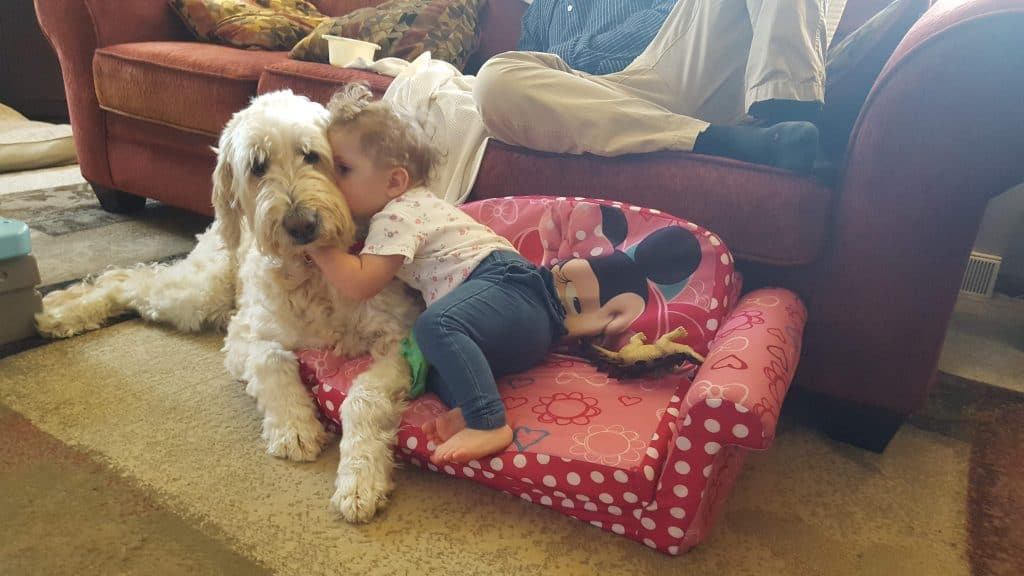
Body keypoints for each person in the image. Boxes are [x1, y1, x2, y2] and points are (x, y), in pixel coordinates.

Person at [305, 84, 567, 465]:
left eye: (342, 170)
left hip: (508, 287)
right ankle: (472, 402)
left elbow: (361, 282)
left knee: (433, 327)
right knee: (434, 368)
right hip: (512, 330)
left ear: (395, 182)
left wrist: (317, 243)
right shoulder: (415, 206)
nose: (330, 183)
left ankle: (488, 422)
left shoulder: (397, 214)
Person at [474, 0, 828, 172]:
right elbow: (531, 80)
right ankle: (723, 141)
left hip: (667, 70)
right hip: (592, 108)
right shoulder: (537, 14)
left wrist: (568, 60)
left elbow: (661, 24)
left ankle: (792, 112)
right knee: (493, 80)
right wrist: (563, 71)